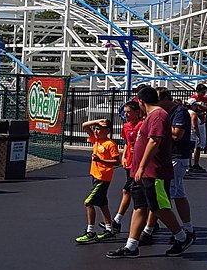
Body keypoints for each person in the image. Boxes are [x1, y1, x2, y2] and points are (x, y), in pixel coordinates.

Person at [107, 85, 195, 259]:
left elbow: (154, 142)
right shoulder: (150, 117)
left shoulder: (158, 116)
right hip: (143, 172)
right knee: (139, 207)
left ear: (141, 101)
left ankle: (182, 237)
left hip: (155, 172)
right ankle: (131, 246)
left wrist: (141, 166)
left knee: (159, 207)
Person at [158, 87, 196, 243]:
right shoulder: (168, 113)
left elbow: (176, 135)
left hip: (177, 157)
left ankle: (178, 233)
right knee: (179, 194)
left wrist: (158, 129)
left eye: (159, 100)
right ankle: (188, 227)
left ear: (166, 99)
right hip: (172, 156)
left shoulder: (180, 112)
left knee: (165, 196)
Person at [75, 118, 120, 244]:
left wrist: (101, 161)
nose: (96, 130)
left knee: (88, 203)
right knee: (102, 203)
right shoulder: (96, 140)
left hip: (103, 178)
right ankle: (109, 230)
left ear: (107, 130)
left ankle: (90, 231)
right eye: (96, 128)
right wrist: (97, 121)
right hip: (95, 176)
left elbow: (117, 162)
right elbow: (84, 125)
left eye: (100, 128)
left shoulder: (110, 144)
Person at [110, 99, 144, 236]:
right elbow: (127, 143)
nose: (127, 115)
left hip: (139, 163)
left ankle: (118, 220)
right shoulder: (126, 126)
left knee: (129, 191)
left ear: (137, 112)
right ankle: (119, 220)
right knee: (130, 191)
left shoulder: (142, 125)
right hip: (130, 162)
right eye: (125, 113)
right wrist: (123, 156)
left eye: (129, 112)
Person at [187, 83, 207, 173]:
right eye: (202, 92)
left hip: (201, 123)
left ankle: (196, 163)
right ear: (197, 91)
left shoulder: (205, 98)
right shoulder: (192, 98)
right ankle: (189, 164)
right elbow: (191, 109)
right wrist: (199, 111)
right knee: (191, 144)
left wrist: (200, 107)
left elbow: (206, 109)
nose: (204, 94)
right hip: (194, 123)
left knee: (199, 145)